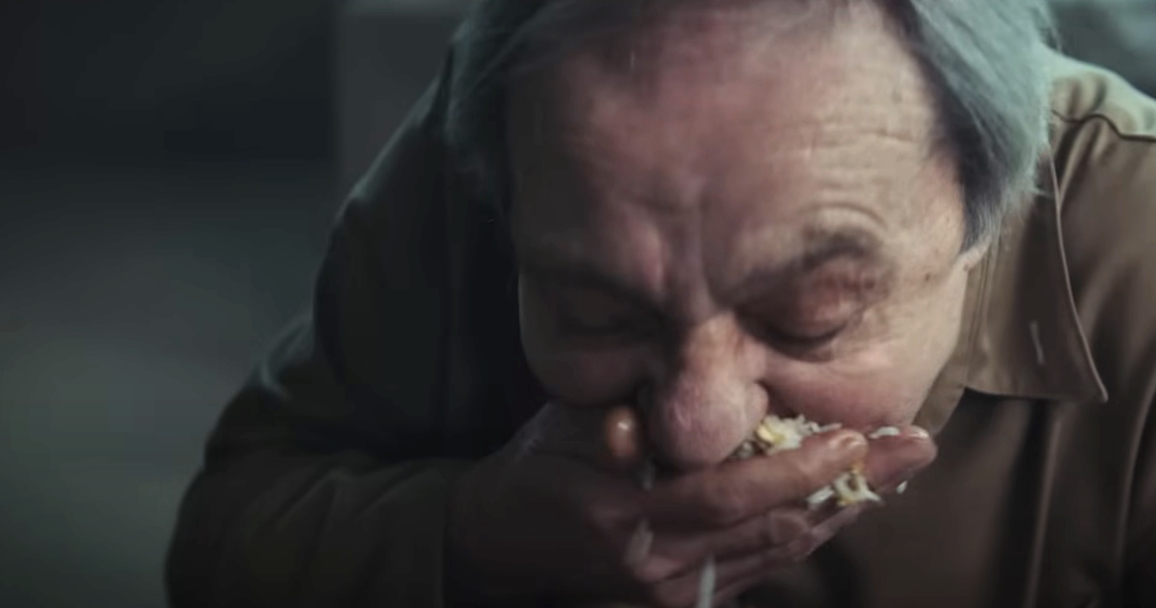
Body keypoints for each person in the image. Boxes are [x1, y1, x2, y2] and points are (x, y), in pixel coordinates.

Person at [165, 1, 1156, 607]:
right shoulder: (511, 148)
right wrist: (468, 537)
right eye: (597, 312)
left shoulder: (1137, 240)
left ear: (991, 217)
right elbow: (226, 541)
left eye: (810, 314)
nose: (694, 423)